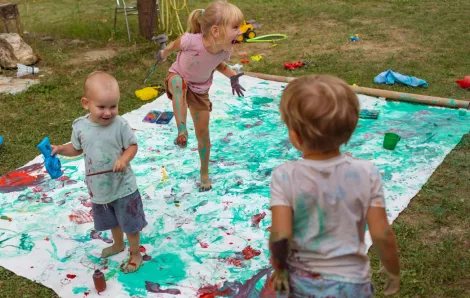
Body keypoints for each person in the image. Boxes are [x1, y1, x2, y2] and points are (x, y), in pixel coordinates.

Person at [269, 75, 400, 297]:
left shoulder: (284, 176)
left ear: (295, 136)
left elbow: (280, 234)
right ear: (350, 130)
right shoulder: (367, 173)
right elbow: (382, 233)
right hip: (353, 284)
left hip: (302, 283)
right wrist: (393, 270)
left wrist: (280, 270)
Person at [51, 71, 147, 274]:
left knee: (130, 223)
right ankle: (118, 244)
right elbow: (77, 148)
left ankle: (135, 253)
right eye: (101, 107)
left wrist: (123, 159)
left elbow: (132, 146)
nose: (108, 112)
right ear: (86, 103)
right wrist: (60, 148)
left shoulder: (120, 125)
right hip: (100, 188)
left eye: (113, 106)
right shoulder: (80, 127)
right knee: (113, 219)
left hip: (123, 186)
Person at [158, 0, 246, 192]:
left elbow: (218, 65)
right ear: (216, 31)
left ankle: (204, 172)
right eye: (235, 27)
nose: (240, 31)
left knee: (204, 135)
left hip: (200, 91)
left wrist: (232, 77)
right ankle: (182, 130)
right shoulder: (191, 41)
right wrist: (164, 52)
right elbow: (175, 45)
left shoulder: (225, 49)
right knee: (178, 84)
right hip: (178, 76)